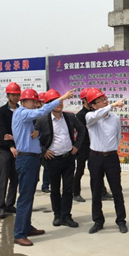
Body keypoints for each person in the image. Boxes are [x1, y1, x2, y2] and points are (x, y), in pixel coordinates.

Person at [12, 88, 74, 247]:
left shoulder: (27, 118)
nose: (35, 104)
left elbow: (34, 135)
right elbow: (41, 111)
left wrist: (37, 134)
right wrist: (61, 98)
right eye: (33, 101)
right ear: (23, 102)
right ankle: (19, 234)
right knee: (25, 197)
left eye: (36, 101)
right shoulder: (22, 113)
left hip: (32, 159)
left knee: (29, 195)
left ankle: (26, 227)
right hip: (26, 159)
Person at [34, 89, 85, 228]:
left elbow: (82, 130)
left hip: (68, 158)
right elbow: (34, 138)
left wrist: (77, 146)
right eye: (55, 102)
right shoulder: (42, 120)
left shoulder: (70, 117)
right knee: (55, 189)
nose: (59, 104)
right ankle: (57, 215)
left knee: (68, 189)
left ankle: (66, 216)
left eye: (61, 101)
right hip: (53, 160)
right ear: (48, 104)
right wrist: (44, 151)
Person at [85, 88, 127, 234]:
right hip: (95, 158)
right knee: (96, 191)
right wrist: (112, 105)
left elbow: (118, 136)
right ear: (93, 105)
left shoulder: (115, 118)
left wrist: (112, 149)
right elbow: (95, 116)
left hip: (111, 158)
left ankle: (121, 220)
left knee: (117, 191)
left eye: (105, 99)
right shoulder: (90, 117)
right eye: (101, 100)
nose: (105, 102)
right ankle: (98, 221)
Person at [74, 88, 113, 203]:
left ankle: (102, 192)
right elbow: (82, 131)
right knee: (80, 170)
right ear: (84, 101)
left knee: (97, 170)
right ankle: (75, 193)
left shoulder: (96, 113)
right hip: (83, 146)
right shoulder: (81, 115)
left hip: (95, 146)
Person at [0, 82, 21, 219]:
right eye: (13, 94)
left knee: (15, 178)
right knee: (3, 178)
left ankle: (10, 204)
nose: (16, 97)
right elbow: (3, 131)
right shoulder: (1, 111)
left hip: (19, 148)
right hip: (5, 149)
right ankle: (1, 206)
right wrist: (11, 146)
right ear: (8, 95)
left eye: (18, 94)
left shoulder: (21, 110)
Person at [36, 92, 50, 193]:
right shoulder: (34, 115)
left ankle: (45, 186)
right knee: (35, 168)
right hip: (36, 146)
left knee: (47, 167)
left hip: (46, 145)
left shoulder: (50, 115)